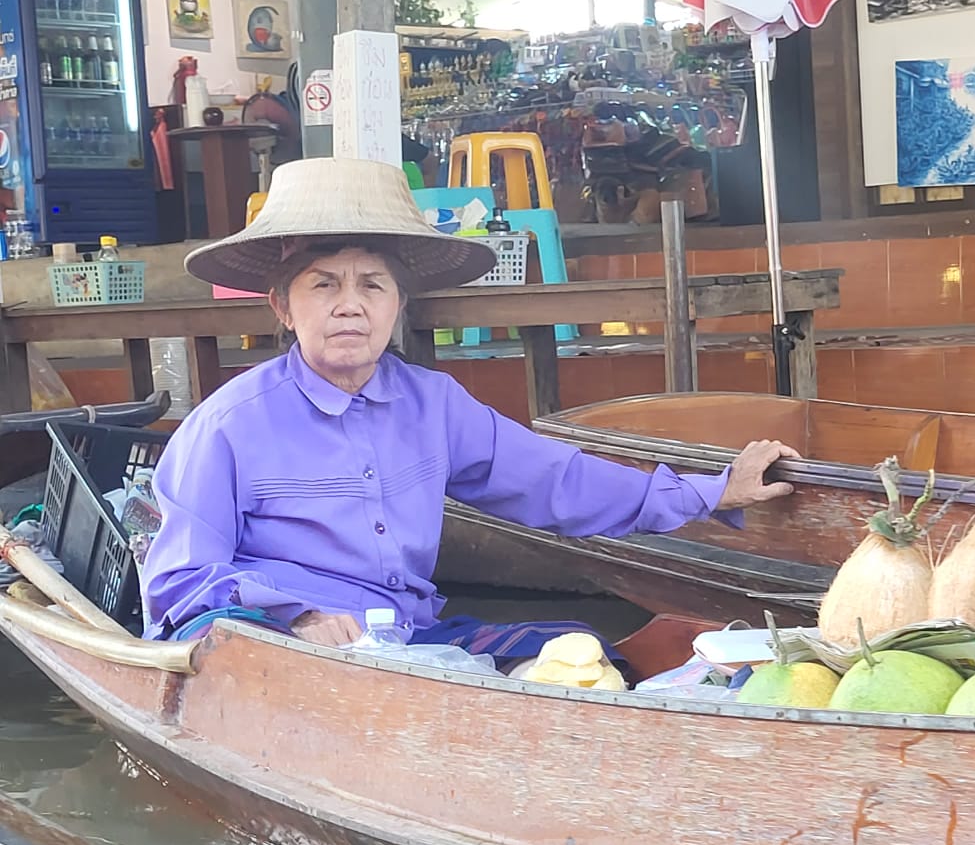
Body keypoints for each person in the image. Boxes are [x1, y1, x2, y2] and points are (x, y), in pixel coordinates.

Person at [141, 157, 798, 656]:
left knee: (578, 650)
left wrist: (712, 493)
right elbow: (179, 583)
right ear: (283, 307)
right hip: (289, 654)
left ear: (399, 305)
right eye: (323, 285)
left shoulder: (432, 406)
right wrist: (294, 618)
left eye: (373, 284)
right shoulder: (227, 427)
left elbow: (557, 483)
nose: (350, 304)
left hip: (410, 641)